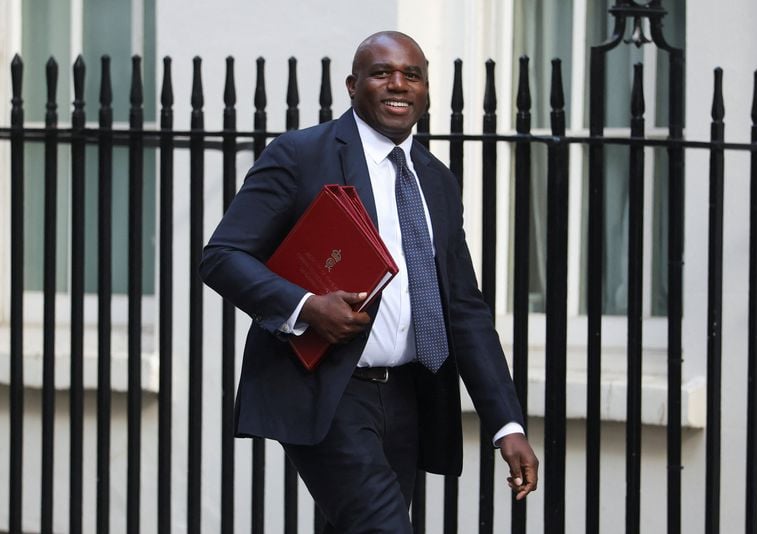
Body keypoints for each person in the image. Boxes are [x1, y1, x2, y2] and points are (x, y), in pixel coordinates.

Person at [200, 30, 538, 533]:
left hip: (408, 395)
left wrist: (506, 423)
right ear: (352, 85)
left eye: (411, 75)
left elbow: (465, 308)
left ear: (426, 89)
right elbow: (222, 257)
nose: (398, 85)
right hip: (331, 391)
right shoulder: (301, 155)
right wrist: (306, 306)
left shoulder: (437, 180)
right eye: (382, 73)